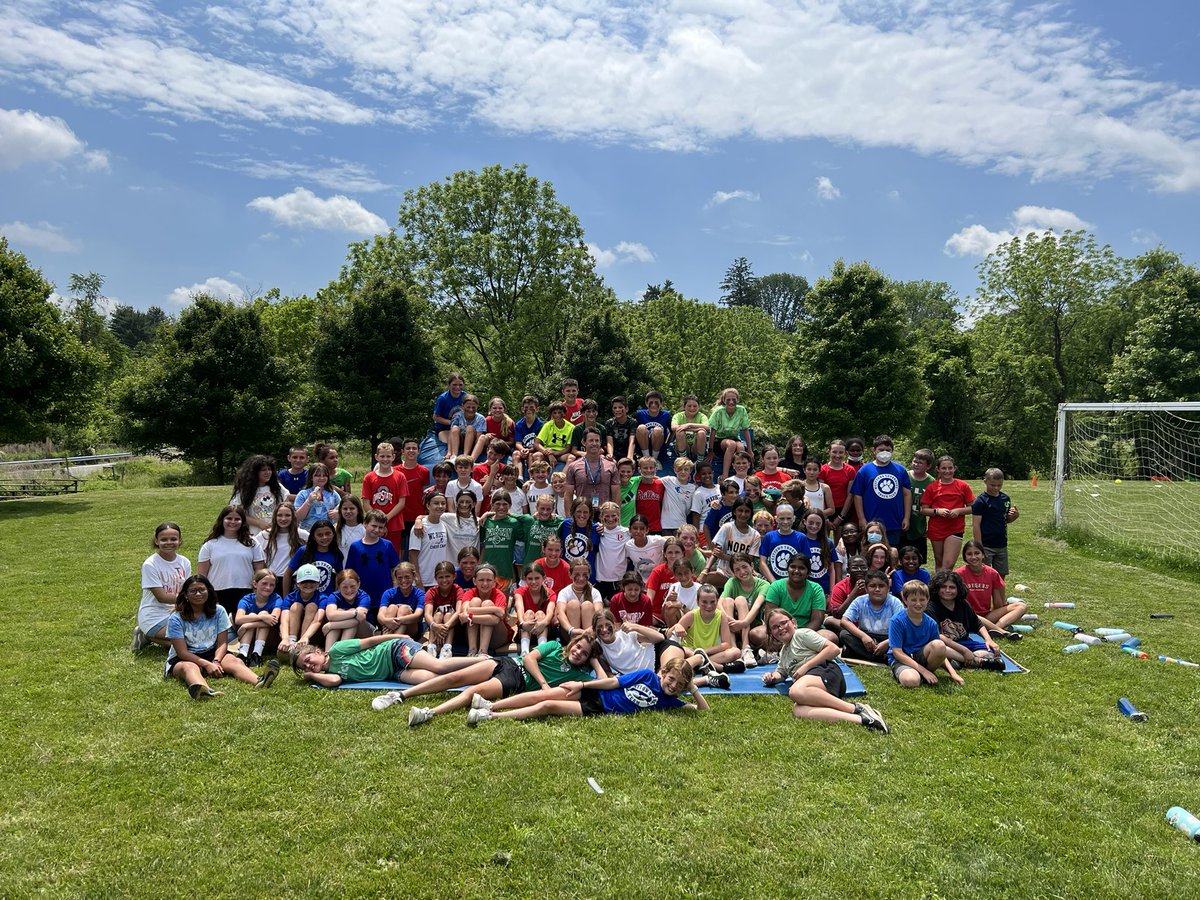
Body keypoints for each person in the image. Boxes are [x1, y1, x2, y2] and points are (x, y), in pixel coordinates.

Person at [400, 633, 605, 725]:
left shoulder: (579, 675)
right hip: (509, 663)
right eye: (578, 647)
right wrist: (543, 684)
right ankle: (401, 695)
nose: (578, 652)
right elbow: (529, 658)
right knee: (456, 676)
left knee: (472, 691)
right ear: (572, 644)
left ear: (588, 659)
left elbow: (603, 682)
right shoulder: (553, 646)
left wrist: (595, 662)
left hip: (517, 680)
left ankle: (429, 713)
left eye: (585, 653)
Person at [464, 656, 707, 726]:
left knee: (547, 707)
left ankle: (490, 716)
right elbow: (612, 683)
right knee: (543, 694)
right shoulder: (646, 675)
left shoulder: (669, 701)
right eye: (671, 679)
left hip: (599, 708)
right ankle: (490, 704)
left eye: (678, 685)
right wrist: (582, 685)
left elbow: (702, 711)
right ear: (663, 672)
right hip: (593, 692)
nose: (672, 686)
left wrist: (693, 688)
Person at [759, 608, 887, 732]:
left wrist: (806, 666)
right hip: (812, 682)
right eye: (775, 627)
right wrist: (771, 677)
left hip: (825, 671)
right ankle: (864, 720)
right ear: (772, 633)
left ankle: (856, 708)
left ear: (793, 622)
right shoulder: (784, 651)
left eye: (783, 623)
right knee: (798, 710)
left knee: (796, 691)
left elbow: (833, 649)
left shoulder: (801, 634)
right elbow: (781, 673)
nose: (780, 628)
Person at [165, 575, 279, 699]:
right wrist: (207, 665)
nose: (198, 594)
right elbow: (182, 652)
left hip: (212, 652)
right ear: (186, 595)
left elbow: (222, 643)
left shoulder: (218, 611)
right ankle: (204, 690)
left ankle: (259, 681)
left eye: (202, 590)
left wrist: (216, 661)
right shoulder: (176, 618)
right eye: (193, 591)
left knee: (234, 661)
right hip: (185, 658)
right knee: (189, 667)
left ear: (208, 591)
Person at [292, 631, 480, 690]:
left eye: (308, 659)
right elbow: (335, 682)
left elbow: (370, 641)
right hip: (393, 672)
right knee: (433, 680)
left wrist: (400, 636)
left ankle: (482, 661)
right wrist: (312, 676)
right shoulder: (329, 673)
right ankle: (480, 676)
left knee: (439, 666)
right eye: (305, 666)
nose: (308, 665)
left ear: (318, 651)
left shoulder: (337, 650)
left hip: (393, 651)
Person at [887, 581, 963, 687]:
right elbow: (897, 653)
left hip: (921, 656)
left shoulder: (931, 623)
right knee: (911, 681)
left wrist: (953, 673)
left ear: (927, 600)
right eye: (913, 600)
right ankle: (917, 674)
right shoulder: (897, 621)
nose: (918, 604)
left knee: (939, 645)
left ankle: (922, 673)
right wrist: (924, 671)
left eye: (922, 600)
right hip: (902, 659)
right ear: (905, 600)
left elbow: (941, 653)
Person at [928, 568, 1005, 671]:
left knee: (990, 649)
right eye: (943, 587)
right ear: (936, 588)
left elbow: (977, 623)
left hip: (965, 642)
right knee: (942, 650)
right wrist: (964, 651)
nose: (947, 590)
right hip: (947, 644)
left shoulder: (963, 603)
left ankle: (962, 661)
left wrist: (989, 640)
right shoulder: (930, 607)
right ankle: (975, 661)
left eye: (952, 587)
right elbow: (938, 636)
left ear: (958, 589)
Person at [750, 554, 830, 652]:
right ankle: (802, 651)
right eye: (793, 567)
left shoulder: (816, 589)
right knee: (756, 633)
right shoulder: (776, 586)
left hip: (807, 632)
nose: (796, 571)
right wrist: (784, 634)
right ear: (787, 569)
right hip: (780, 631)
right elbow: (770, 617)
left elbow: (817, 620)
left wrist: (797, 635)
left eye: (801, 568)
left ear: (808, 572)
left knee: (830, 637)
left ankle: (783, 651)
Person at [198, 505, 266, 615]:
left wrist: (256, 589)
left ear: (243, 521)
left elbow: (259, 570)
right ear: (222, 520)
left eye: (237, 519)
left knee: (242, 625)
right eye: (229, 518)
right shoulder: (209, 545)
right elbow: (202, 574)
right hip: (217, 591)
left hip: (245, 591)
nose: (233, 522)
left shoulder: (252, 543)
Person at [134, 522, 192, 652]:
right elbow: (161, 597)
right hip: (154, 617)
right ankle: (148, 634)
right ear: (156, 541)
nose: (169, 542)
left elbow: (185, 590)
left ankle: (148, 636)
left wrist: (181, 606)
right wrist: (188, 599)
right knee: (188, 644)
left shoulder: (184, 562)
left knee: (197, 638)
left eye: (173, 539)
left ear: (180, 540)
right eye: (164, 539)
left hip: (176, 612)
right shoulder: (150, 564)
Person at [956, 540, 1027, 636]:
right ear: (965, 557)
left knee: (1021, 606)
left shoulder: (992, 573)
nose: (973, 557)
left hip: (987, 615)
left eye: (977, 553)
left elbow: (998, 602)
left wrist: (1001, 609)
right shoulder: (958, 574)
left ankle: (995, 629)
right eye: (969, 554)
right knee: (972, 615)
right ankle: (999, 631)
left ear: (983, 555)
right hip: (967, 615)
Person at [850, 435, 912, 545]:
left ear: (892, 450)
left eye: (888, 450)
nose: (884, 452)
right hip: (872, 524)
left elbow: (907, 494)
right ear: (874, 450)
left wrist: (906, 517)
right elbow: (857, 495)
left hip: (894, 522)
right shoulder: (864, 471)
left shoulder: (900, 470)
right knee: (873, 555)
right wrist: (861, 518)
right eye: (881, 450)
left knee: (892, 554)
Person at [672, 583, 744, 673]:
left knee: (736, 652)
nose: (709, 606)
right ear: (698, 602)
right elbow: (670, 637)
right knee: (681, 651)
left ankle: (699, 663)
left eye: (712, 602)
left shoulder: (721, 616)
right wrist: (677, 627)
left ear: (717, 601)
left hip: (708, 653)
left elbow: (726, 644)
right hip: (691, 652)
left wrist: (703, 652)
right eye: (704, 602)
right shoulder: (691, 615)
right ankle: (717, 667)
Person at [920, 455, 975, 570]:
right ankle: (938, 586)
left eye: (950, 468)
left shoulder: (962, 486)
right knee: (939, 561)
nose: (947, 471)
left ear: (955, 468)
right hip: (937, 529)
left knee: (948, 564)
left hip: (955, 528)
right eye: (944, 468)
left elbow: (973, 507)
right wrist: (937, 511)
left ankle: (946, 585)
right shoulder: (932, 487)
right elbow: (924, 510)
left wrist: (959, 510)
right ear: (938, 469)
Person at [838, 569, 903, 662]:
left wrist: (887, 642)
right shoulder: (859, 601)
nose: (877, 589)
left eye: (881, 586)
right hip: (867, 637)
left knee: (903, 641)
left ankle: (856, 653)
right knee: (844, 634)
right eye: (872, 586)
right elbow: (844, 621)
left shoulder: (895, 602)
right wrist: (863, 636)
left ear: (888, 588)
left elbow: (902, 629)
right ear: (866, 588)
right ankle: (884, 658)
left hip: (889, 637)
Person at [720, 552, 770, 666]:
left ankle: (745, 648)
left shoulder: (764, 585)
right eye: (737, 569)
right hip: (732, 624)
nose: (742, 572)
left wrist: (743, 623)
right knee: (727, 601)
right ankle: (733, 649)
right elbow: (719, 603)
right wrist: (728, 619)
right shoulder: (732, 582)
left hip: (751, 624)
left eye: (744, 567)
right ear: (733, 572)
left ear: (751, 566)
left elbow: (757, 606)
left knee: (741, 600)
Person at [361, 441, 408, 557]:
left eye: (388, 456)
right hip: (373, 524)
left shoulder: (400, 476)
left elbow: (401, 503)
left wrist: (386, 519)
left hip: (394, 523)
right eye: (382, 456)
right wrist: (377, 521)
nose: (385, 459)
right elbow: (366, 503)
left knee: (392, 554)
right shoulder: (369, 477)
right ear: (376, 457)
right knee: (373, 553)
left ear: (393, 457)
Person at [345, 511, 402, 606]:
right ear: (365, 524)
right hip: (361, 595)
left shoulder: (387, 545)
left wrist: (395, 590)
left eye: (381, 527)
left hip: (384, 595)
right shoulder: (355, 547)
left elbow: (396, 570)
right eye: (374, 526)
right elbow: (350, 572)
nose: (377, 530)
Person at [972, 467, 1020, 577]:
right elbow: (976, 524)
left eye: (999, 485)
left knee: (1001, 575)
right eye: (992, 485)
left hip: (1001, 544)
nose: (996, 488)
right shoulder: (980, 501)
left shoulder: (1005, 499)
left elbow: (1006, 519)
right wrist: (979, 547)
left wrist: (1015, 516)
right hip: (986, 545)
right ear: (985, 482)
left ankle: (999, 594)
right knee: (984, 574)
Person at [458, 564, 512, 656]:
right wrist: (494, 609)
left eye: (489, 580)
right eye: (481, 580)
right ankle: (472, 650)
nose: (485, 584)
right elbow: (464, 611)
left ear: (494, 582)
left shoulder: (499, 595)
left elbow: (495, 620)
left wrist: (470, 616)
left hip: (497, 637)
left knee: (487, 603)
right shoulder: (469, 593)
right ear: (475, 581)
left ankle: (483, 652)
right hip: (475, 637)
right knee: (475, 601)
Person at [254, 503, 308, 595]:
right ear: (275, 516)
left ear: (293, 517)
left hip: (295, 580)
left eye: (287, 515)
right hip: (271, 581)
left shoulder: (303, 535)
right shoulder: (264, 535)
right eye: (280, 515)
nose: (283, 519)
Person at [563, 427, 620, 512]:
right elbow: (568, 494)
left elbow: (616, 494)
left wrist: (617, 516)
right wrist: (569, 518)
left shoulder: (611, 466)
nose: (594, 443)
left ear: (600, 442)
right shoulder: (573, 466)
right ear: (583, 442)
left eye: (597, 441)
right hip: (582, 515)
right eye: (591, 440)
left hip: (605, 515)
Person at [234, 568, 283, 665]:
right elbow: (238, 619)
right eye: (264, 583)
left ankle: (257, 654)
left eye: (271, 585)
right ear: (255, 584)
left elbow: (274, 620)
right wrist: (262, 618)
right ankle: (243, 654)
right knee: (256, 615)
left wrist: (247, 625)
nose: (268, 587)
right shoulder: (247, 599)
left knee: (263, 613)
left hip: (270, 636)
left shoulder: (276, 598)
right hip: (249, 637)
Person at [230, 454, 285, 535]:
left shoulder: (277, 487)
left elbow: (286, 505)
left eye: (269, 469)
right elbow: (237, 512)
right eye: (263, 470)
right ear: (254, 472)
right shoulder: (244, 490)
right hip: (253, 534)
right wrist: (259, 523)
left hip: (275, 532)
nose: (268, 472)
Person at [286, 518, 342, 595]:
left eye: (328, 533)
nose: (324, 537)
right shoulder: (303, 551)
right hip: (303, 599)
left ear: (333, 534)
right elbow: (288, 574)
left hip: (326, 599)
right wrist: (285, 597)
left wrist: (336, 596)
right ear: (313, 537)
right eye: (320, 535)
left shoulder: (336, 553)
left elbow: (340, 576)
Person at [319, 568, 372, 649]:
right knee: (343, 612)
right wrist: (354, 613)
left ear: (358, 584)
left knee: (350, 613)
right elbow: (330, 615)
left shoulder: (364, 596)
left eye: (352, 586)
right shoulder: (334, 596)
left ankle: (341, 651)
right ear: (339, 586)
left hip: (363, 632)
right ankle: (328, 653)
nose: (349, 590)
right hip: (342, 629)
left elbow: (360, 618)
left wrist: (331, 626)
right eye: (344, 587)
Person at [410, 493, 452, 589]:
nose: (440, 506)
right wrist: (417, 579)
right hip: (424, 580)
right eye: (436, 503)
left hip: (440, 580)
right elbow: (412, 555)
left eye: (443, 503)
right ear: (428, 506)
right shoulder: (419, 527)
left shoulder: (445, 523)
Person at [901, 448, 935, 565]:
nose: (916, 464)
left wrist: (929, 528)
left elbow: (934, 507)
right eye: (914, 461)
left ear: (928, 466)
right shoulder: (904, 475)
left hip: (919, 526)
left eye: (920, 463)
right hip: (901, 522)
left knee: (917, 559)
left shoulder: (931, 482)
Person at [514, 562, 557, 654]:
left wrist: (543, 623)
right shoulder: (519, 591)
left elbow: (550, 612)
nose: (533, 582)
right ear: (525, 579)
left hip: (545, 631)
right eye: (530, 579)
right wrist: (522, 623)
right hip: (525, 630)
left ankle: (542, 652)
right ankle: (524, 652)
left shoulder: (550, 593)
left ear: (544, 578)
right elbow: (519, 609)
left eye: (537, 578)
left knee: (540, 613)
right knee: (529, 612)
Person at [708, 387, 751, 476]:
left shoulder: (741, 410)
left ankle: (739, 474)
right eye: (728, 400)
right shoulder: (719, 411)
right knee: (731, 444)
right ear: (724, 400)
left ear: (737, 400)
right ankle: (725, 475)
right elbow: (713, 431)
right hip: (720, 440)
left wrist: (750, 450)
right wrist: (710, 450)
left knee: (741, 447)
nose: (731, 402)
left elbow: (746, 429)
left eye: (733, 400)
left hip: (735, 438)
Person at [796, 509, 841, 596]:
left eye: (818, 523)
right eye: (811, 522)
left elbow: (831, 570)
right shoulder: (798, 541)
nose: (814, 526)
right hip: (802, 590)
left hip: (823, 590)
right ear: (804, 522)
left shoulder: (828, 543)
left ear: (822, 524)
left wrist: (831, 592)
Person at [279, 564, 323, 651]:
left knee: (311, 606)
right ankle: (291, 643)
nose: (308, 584)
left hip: (311, 632)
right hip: (292, 629)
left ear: (318, 583)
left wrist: (305, 637)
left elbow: (318, 620)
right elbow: (284, 620)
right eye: (304, 581)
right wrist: (285, 638)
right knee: (296, 605)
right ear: (297, 583)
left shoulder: (322, 598)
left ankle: (302, 645)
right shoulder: (290, 597)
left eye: (312, 581)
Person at [423, 561, 461, 659]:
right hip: (436, 628)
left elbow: (459, 611)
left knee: (449, 615)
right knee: (438, 615)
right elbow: (427, 614)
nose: (444, 580)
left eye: (447, 576)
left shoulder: (458, 590)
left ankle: (447, 648)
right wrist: (435, 626)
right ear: (435, 578)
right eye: (440, 577)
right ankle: (431, 646)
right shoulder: (431, 592)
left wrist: (445, 627)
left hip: (453, 628)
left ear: (454, 576)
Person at [758, 503, 804, 582]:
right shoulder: (769, 536)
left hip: (794, 584)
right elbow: (762, 562)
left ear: (794, 518)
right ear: (776, 519)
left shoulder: (801, 538)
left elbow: (805, 564)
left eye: (789, 518)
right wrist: (774, 583)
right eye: (782, 518)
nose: (785, 522)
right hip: (773, 583)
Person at [557, 559, 603, 638]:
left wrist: (590, 629)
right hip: (570, 632)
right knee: (573, 604)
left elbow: (599, 613)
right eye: (577, 574)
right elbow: (559, 613)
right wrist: (571, 630)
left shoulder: (595, 592)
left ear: (589, 575)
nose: (581, 578)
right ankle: (574, 641)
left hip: (590, 631)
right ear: (570, 575)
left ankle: (588, 642)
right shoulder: (564, 592)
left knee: (587, 605)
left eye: (584, 574)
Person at [593, 500, 629, 600]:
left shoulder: (626, 532)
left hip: (619, 580)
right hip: (600, 579)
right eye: (607, 516)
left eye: (613, 515)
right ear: (601, 516)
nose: (610, 519)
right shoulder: (597, 530)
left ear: (619, 515)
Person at [378, 563, 426, 637]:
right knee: (392, 607)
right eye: (400, 578)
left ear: (413, 576)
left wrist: (398, 620)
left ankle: (391, 641)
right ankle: (388, 638)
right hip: (391, 626)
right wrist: (386, 621)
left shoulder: (420, 594)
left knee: (404, 608)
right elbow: (380, 616)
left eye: (407, 577)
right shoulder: (389, 593)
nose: (403, 580)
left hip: (412, 630)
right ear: (396, 578)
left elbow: (417, 615)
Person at [821, 439, 858, 535]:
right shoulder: (823, 470)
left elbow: (850, 495)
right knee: (824, 542)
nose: (837, 455)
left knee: (841, 543)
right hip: (826, 510)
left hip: (844, 509)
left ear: (845, 453)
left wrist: (841, 517)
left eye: (841, 452)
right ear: (829, 452)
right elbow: (820, 494)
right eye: (834, 452)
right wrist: (825, 517)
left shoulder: (850, 470)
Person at [560, 498, 601, 577]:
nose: (582, 515)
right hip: (567, 576)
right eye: (579, 511)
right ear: (573, 512)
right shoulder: (564, 524)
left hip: (588, 577)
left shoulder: (597, 529)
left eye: (585, 512)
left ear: (590, 513)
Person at [294, 463, 339, 531]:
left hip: (328, 532)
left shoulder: (333, 494)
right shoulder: (303, 494)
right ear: (311, 477)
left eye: (324, 475)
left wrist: (338, 513)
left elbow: (342, 508)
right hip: (307, 532)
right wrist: (308, 502)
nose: (321, 478)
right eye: (317, 475)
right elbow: (297, 517)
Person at [534, 400, 577, 467]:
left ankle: (562, 476)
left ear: (564, 413)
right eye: (554, 413)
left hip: (561, 453)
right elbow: (536, 443)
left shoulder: (571, 427)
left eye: (559, 412)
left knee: (571, 458)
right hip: (548, 452)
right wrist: (549, 453)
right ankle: (535, 476)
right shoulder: (547, 425)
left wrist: (555, 453)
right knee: (536, 455)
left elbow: (567, 448)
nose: (557, 415)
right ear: (551, 414)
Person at [660, 457, 695, 536]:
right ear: (675, 470)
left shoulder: (693, 488)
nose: (683, 472)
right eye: (680, 469)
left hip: (682, 526)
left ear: (690, 471)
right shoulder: (668, 480)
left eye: (686, 469)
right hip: (666, 526)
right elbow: (653, 480)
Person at [447, 393, 487, 461]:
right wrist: (449, 452)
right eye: (468, 407)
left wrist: (474, 452)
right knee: (454, 428)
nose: (471, 410)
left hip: (472, 442)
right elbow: (451, 433)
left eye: (473, 407)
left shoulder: (481, 418)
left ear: (477, 407)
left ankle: (465, 456)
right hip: (459, 441)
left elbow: (478, 438)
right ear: (463, 406)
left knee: (470, 428)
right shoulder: (458, 416)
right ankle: (454, 456)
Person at [511, 395, 544, 479]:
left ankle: (533, 478)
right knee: (515, 454)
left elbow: (540, 444)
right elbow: (518, 443)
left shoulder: (541, 425)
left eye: (532, 407)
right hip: (523, 450)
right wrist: (522, 449)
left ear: (537, 409)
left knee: (533, 455)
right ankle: (519, 478)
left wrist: (529, 451)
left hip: (535, 450)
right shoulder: (519, 424)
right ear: (522, 409)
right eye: (526, 407)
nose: (528, 409)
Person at [475, 396, 515, 462]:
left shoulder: (509, 422)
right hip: (489, 448)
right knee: (483, 437)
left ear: (504, 410)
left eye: (500, 408)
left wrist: (498, 442)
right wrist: (486, 436)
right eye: (494, 408)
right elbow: (480, 439)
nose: (497, 410)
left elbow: (512, 441)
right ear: (490, 409)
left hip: (503, 449)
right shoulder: (487, 420)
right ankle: (472, 460)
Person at [634, 390, 672, 461]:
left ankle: (654, 460)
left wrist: (667, 443)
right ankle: (647, 458)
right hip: (643, 448)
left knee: (658, 430)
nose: (653, 405)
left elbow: (672, 431)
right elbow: (633, 431)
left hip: (659, 448)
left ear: (661, 404)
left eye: (656, 402)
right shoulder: (640, 414)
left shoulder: (666, 415)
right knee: (641, 427)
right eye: (651, 402)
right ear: (646, 403)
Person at [634, 454, 666, 534]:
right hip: (638, 527)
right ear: (639, 469)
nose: (648, 470)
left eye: (651, 468)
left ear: (656, 469)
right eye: (645, 468)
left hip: (656, 527)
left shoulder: (661, 484)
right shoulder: (635, 484)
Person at [671, 394, 709, 461]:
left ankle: (700, 461)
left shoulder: (702, 416)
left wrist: (689, 425)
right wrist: (696, 429)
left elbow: (706, 427)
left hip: (696, 446)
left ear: (698, 407)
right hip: (681, 446)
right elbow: (673, 427)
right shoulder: (678, 416)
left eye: (695, 406)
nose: (692, 408)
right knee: (680, 431)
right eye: (689, 406)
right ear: (684, 406)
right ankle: (684, 460)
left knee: (701, 432)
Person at [432, 373, 466, 442]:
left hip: (461, 427)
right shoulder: (443, 398)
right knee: (451, 442)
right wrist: (451, 422)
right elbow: (435, 417)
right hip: (444, 428)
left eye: (460, 385)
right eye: (454, 385)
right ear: (449, 385)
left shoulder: (465, 396)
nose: (457, 387)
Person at [605, 396, 637, 462]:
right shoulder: (609, 423)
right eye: (615, 408)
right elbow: (609, 442)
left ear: (626, 409)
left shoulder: (632, 422)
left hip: (629, 452)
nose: (617, 410)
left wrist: (629, 458)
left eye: (620, 407)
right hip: (615, 453)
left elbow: (632, 441)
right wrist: (611, 455)